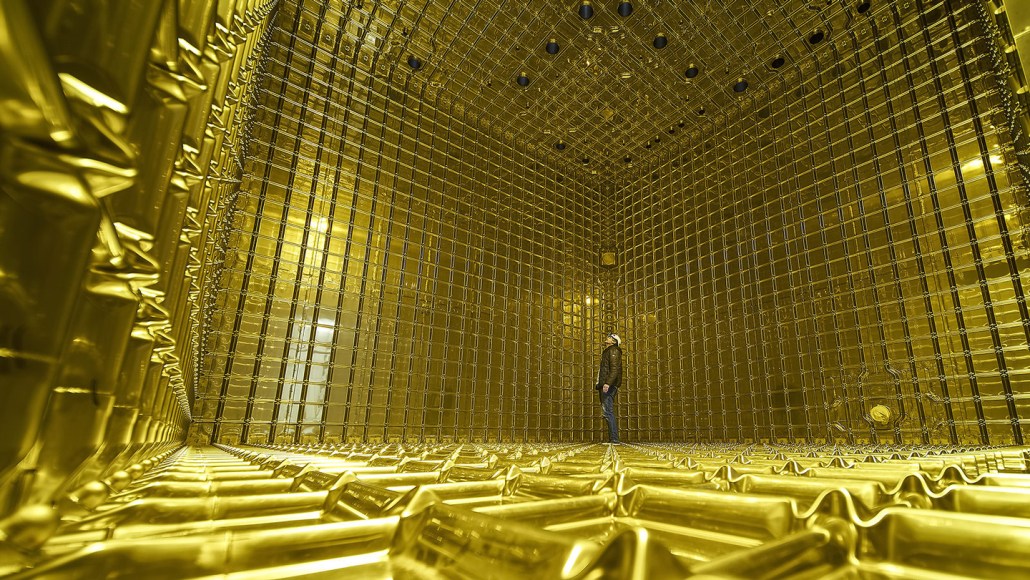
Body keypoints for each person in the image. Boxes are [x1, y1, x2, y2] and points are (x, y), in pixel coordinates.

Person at [595, 332, 622, 444]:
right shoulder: (608, 351)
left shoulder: (614, 351)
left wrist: (607, 383)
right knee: (607, 412)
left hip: (609, 385)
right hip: (606, 384)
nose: (607, 337)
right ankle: (613, 439)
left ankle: (614, 439)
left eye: (610, 337)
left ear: (614, 342)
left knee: (608, 412)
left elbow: (614, 369)